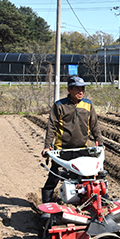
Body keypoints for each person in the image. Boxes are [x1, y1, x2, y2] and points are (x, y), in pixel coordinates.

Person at [40, 76, 104, 211]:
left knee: (89, 178)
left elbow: (94, 125)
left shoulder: (88, 105)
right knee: (54, 177)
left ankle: (95, 204)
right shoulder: (59, 106)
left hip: (82, 148)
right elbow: (51, 126)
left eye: (83, 89)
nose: (81, 91)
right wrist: (47, 146)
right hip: (63, 150)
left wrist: (100, 142)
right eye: (77, 89)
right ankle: (46, 206)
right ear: (69, 89)